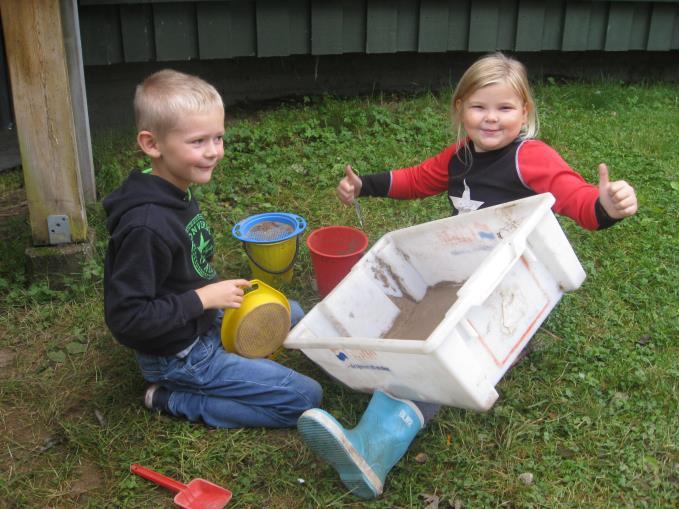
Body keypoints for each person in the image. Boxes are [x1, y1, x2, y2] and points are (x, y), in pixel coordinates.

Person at [297, 52, 637, 499]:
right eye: (479, 107)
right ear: (460, 109)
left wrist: (604, 207)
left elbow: (574, 197)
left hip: (513, 288)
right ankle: (366, 373)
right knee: (422, 330)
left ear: (525, 113)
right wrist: (366, 185)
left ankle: (372, 448)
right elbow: (417, 179)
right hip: (464, 275)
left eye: (505, 108)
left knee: (441, 354)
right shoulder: (461, 157)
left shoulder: (529, 157)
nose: (491, 119)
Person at [103, 69, 322, 429]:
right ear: (152, 144)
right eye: (198, 142)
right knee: (303, 398)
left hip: (200, 319)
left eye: (218, 138)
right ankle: (171, 397)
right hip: (180, 354)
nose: (213, 152)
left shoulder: (173, 186)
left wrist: (207, 298)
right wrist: (204, 298)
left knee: (292, 311)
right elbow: (127, 319)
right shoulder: (145, 226)